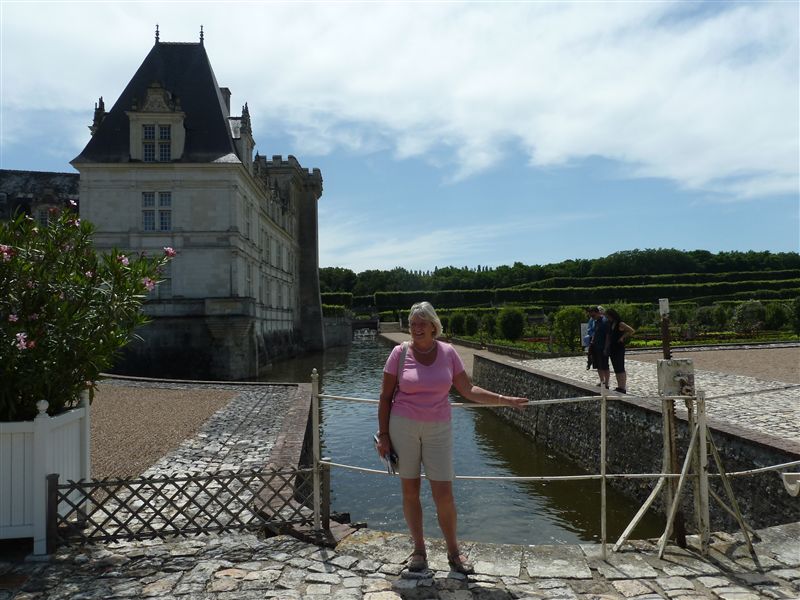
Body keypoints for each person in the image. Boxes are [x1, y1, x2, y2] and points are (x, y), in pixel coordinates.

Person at [376, 301, 527, 575]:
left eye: (422, 323)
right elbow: (385, 397)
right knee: (410, 491)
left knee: (444, 494)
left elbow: (468, 390)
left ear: (433, 326)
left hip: (438, 429)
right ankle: (419, 550)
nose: (416, 328)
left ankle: (454, 551)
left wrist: (503, 399)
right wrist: (384, 435)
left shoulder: (448, 352)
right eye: (413, 324)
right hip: (403, 427)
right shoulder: (399, 353)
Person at [604, 308, 635, 393]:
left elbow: (631, 330)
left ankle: (622, 387)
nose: (607, 318)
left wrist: (622, 337)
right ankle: (619, 386)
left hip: (619, 348)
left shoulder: (620, 323)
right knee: (616, 368)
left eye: (608, 316)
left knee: (620, 367)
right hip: (612, 347)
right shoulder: (610, 324)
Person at [590, 307, 610, 388]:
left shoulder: (605, 321)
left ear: (598, 313)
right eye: (591, 316)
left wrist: (606, 347)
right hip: (596, 346)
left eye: (593, 315)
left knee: (605, 366)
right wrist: (592, 340)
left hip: (602, 347)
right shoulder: (596, 321)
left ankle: (607, 383)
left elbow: (608, 336)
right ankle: (602, 381)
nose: (592, 317)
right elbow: (595, 332)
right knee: (598, 365)